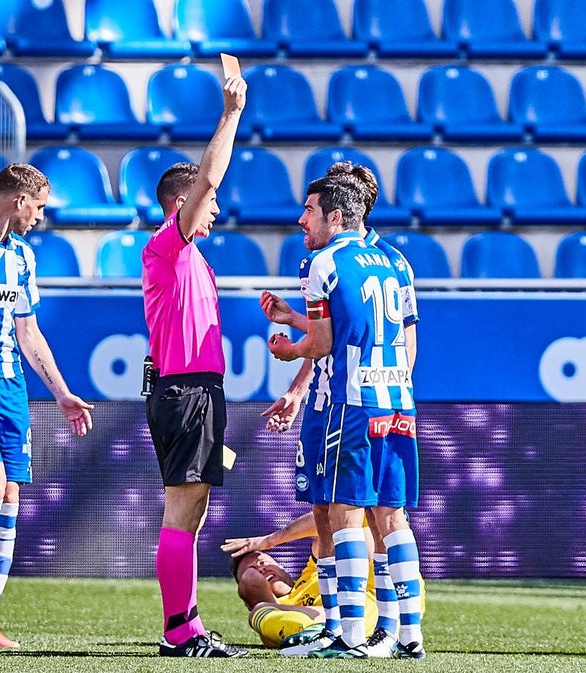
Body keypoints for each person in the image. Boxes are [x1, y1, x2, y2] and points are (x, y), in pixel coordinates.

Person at [264, 162, 425, 658]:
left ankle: (349, 635)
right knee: (390, 515)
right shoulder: (396, 261)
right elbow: (409, 342)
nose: (300, 220)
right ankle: (406, 635)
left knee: (345, 513)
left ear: (335, 216)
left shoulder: (325, 265)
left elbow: (324, 341)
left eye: (309, 210)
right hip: (396, 400)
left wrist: (288, 347)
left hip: (349, 404)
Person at [0, 164, 93, 649]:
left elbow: (27, 332)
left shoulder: (23, 258)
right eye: (40, 206)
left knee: (9, 500)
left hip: (11, 388)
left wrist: (62, 391)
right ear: (19, 200)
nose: (41, 217)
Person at [141, 67, 248, 659]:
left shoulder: (193, 258)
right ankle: (180, 631)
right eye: (207, 204)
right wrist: (230, 115)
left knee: (194, 509)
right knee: (183, 511)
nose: (214, 213)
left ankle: (185, 624)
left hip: (196, 390)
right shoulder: (169, 243)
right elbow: (209, 177)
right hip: (185, 394)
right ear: (183, 203)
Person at [221, 513, 379, 651]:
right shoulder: (273, 617)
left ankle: (325, 628)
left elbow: (329, 520)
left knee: (351, 518)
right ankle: (320, 630)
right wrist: (263, 603)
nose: (261, 568)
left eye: (263, 561)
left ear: (281, 566)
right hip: (314, 625)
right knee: (259, 613)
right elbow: (250, 580)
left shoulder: (313, 569)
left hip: (366, 605)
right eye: (255, 569)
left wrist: (270, 540)